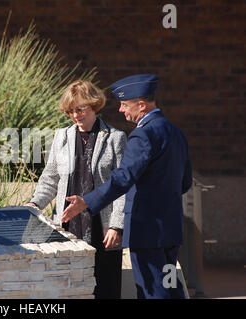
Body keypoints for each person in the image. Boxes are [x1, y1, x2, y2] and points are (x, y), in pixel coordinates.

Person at [62, 74, 193, 299]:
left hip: (148, 232)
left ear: (141, 105)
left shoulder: (143, 134)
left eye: (125, 104)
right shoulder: (174, 131)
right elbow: (185, 181)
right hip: (170, 229)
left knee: (153, 290)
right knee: (171, 285)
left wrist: (87, 201)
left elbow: (123, 177)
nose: (121, 110)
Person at [26, 80, 127, 299]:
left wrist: (116, 226)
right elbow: (50, 179)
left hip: (103, 227)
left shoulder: (115, 138)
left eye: (80, 109)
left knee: (104, 287)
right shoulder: (61, 136)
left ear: (94, 105)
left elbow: (122, 186)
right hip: (67, 224)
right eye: (70, 111)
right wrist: (34, 204)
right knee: (68, 287)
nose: (75, 115)